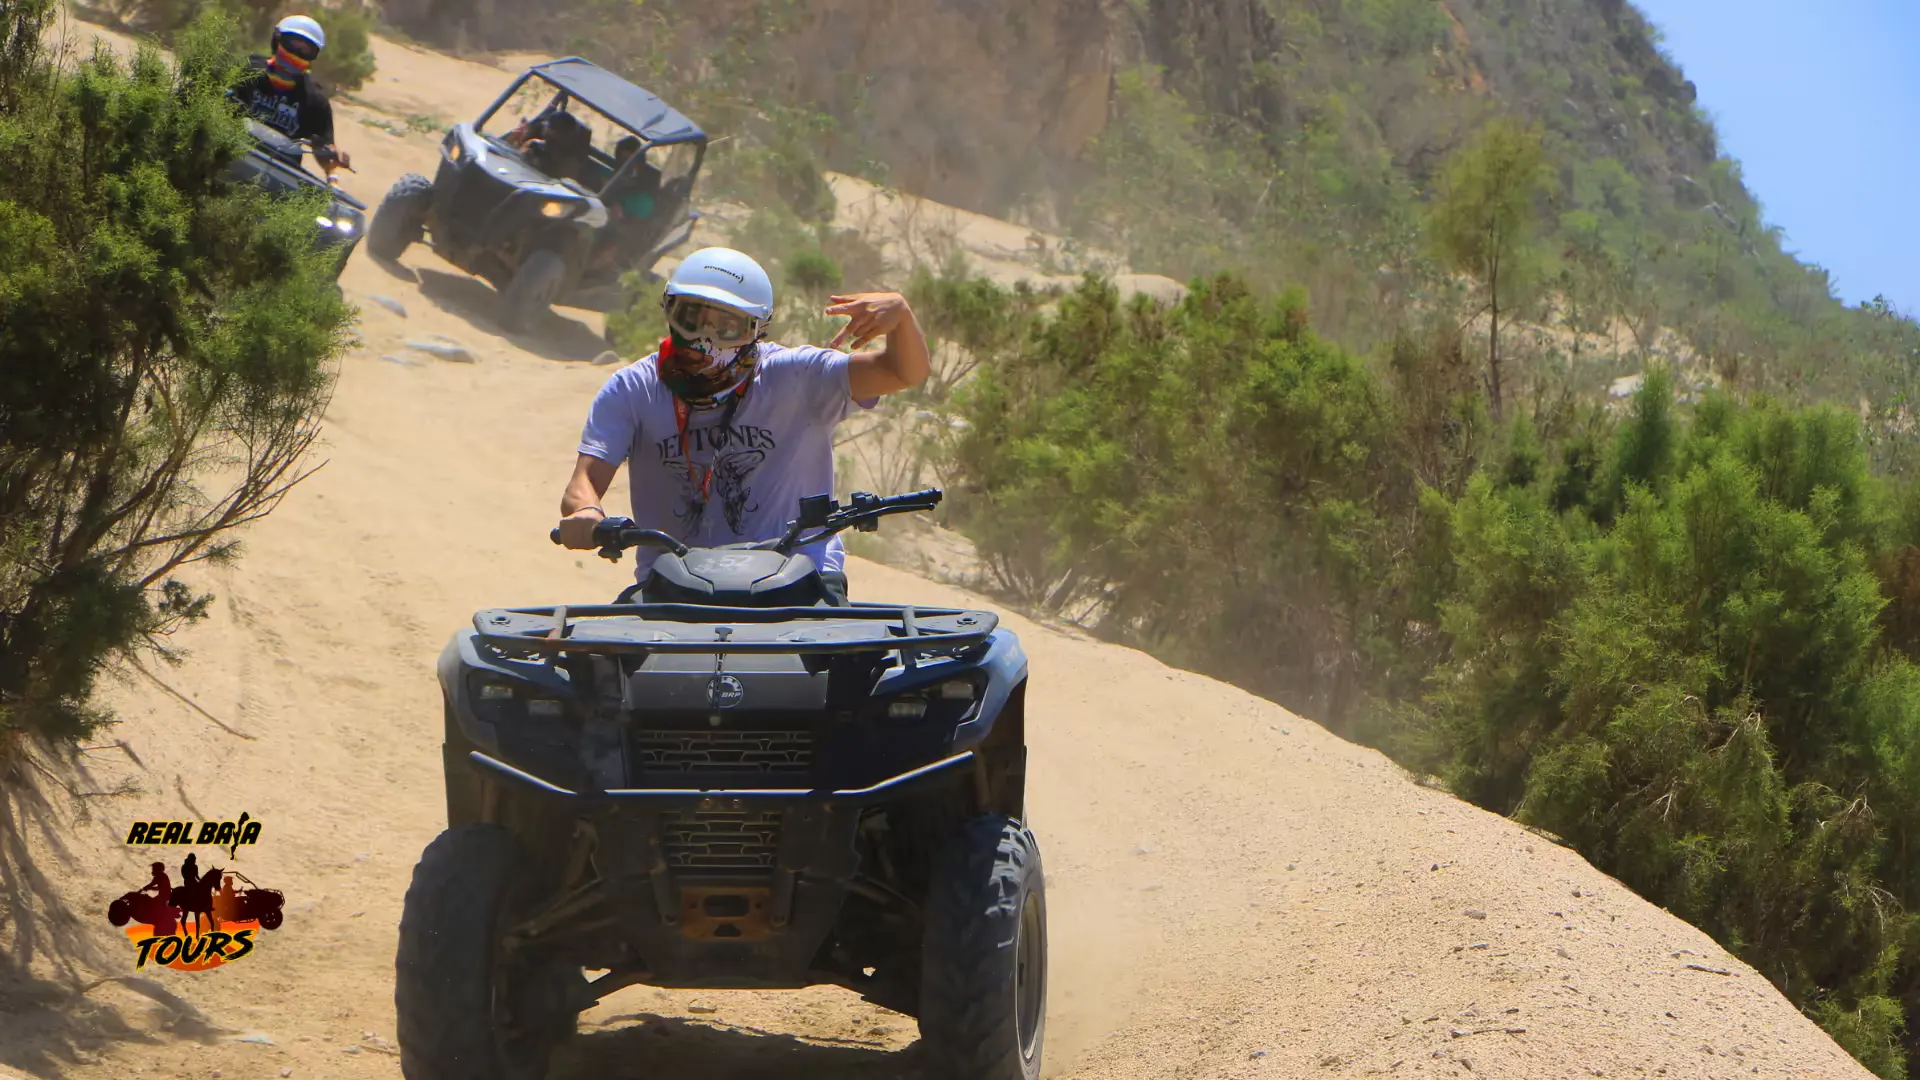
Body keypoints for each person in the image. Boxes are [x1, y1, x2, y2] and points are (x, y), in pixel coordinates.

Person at [556, 248, 930, 604]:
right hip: (674, 581)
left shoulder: (798, 376)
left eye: (726, 326)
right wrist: (587, 513)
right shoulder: (633, 388)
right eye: (692, 318)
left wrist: (901, 316)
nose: (705, 339)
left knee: (845, 667)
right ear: (669, 311)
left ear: (756, 329)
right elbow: (584, 482)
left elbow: (901, 371)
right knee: (605, 663)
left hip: (797, 578)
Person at [231, 15, 352, 176]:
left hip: (278, 175)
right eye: (293, 45)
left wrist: (332, 156)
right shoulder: (247, 69)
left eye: (305, 50)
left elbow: (324, 148)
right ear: (277, 40)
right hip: (231, 154)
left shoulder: (315, 100)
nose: (297, 53)